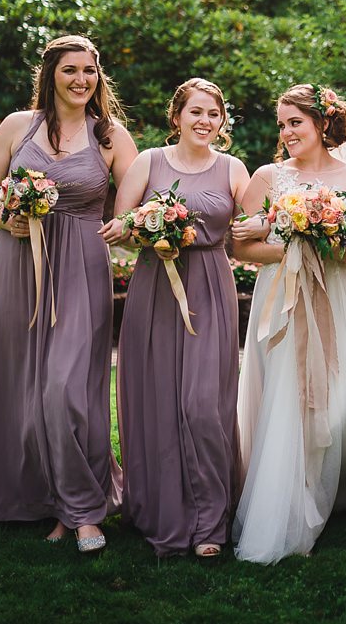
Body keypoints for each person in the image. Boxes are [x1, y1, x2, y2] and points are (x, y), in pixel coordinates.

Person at [0, 34, 138, 553]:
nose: (81, 80)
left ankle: (84, 512)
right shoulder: (19, 127)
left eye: (89, 70)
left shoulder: (111, 138)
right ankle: (44, 501)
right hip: (17, 265)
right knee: (20, 386)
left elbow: (133, 206)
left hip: (82, 267)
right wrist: (9, 218)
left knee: (67, 390)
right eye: (70, 71)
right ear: (50, 75)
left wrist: (128, 227)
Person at [103, 78, 248, 558]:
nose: (205, 121)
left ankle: (211, 520)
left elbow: (252, 225)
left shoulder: (233, 168)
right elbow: (120, 226)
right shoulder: (148, 161)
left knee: (203, 405)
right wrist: (148, 228)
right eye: (196, 113)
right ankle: (161, 510)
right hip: (156, 289)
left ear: (221, 121)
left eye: (213, 114)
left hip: (210, 286)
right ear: (177, 116)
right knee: (160, 402)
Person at [229, 84, 346, 563]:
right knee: (290, 400)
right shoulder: (269, 177)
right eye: (283, 123)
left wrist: (323, 246)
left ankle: (337, 489)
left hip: (336, 300)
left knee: (341, 404)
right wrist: (298, 247)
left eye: (296, 123)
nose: (286, 132)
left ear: (324, 123)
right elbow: (242, 247)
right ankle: (290, 503)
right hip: (284, 300)